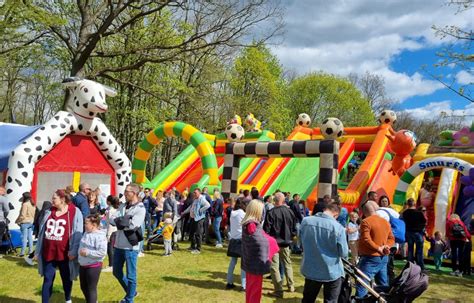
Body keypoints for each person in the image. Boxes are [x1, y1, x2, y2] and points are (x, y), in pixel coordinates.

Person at [35, 190, 83, 303]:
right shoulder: (48, 212)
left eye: (54, 198)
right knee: (47, 279)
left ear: (62, 199)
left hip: (65, 253)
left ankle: (68, 298)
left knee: (66, 278)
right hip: (49, 252)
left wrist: (74, 251)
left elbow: (78, 232)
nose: (52, 200)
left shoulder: (75, 212)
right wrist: (37, 251)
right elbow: (42, 232)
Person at [300, 203, 348, 302]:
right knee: (330, 300)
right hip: (331, 270)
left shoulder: (306, 221)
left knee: (308, 299)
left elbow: (301, 241)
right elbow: (344, 253)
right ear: (336, 215)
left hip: (311, 268)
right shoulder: (338, 227)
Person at [110, 183, 146, 303]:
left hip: (131, 247)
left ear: (134, 193)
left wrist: (120, 222)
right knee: (116, 272)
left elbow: (132, 226)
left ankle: (129, 299)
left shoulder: (140, 208)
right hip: (118, 245)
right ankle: (132, 292)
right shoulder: (123, 206)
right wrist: (123, 221)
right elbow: (112, 219)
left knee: (131, 275)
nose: (125, 193)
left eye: (127, 191)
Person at [241, 200, 279, 303]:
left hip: (250, 262)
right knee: (255, 291)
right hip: (255, 263)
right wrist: (273, 241)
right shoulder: (251, 224)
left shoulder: (249, 223)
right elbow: (258, 240)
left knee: (251, 289)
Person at [355, 201, 394, 299]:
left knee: (362, 283)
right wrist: (386, 247)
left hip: (370, 257)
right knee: (383, 284)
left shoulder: (366, 221)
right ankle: (384, 299)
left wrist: (378, 248)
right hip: (383, 257)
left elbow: (366, 239)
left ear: (364, 212)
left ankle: (361, 300)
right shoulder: (385, 222)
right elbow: (391, 238)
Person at [263, 192, 297, 298]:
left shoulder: (271, 212)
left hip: (274, 243)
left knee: (274, 266)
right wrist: (292, 236)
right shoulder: (290, 212)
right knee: (287, 264)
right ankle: (291, 285)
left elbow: (266, 230)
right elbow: (294, 227)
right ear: (283, 200)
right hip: (286, 242)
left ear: (274, 200)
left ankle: (278, 289)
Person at [78, 214, 107, 303]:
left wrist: (88, 253)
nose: (84, 225)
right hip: (83, 265)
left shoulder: (100, 236)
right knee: (83, 287)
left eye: (86, 223)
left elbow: (102, 252)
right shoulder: (86, 232)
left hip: (93, 266)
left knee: (91, 288)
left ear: (94, 225)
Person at [376, 195, 400, 283]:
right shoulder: (394, 213)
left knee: (387, 264)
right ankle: (389, 281)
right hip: (390, 242)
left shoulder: (379, 212)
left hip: (388, 242)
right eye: (383, 201)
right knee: (388, 264)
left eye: (385, 201)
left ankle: (388, 282)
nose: (384, 203)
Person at [181, 188, 210, 254]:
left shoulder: (201, 199)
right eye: (194, 192)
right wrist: (184, 212)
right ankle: (192, 246)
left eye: (195, 193)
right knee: (191, 233)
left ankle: (198, 249)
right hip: (193, 218)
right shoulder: (195, 199)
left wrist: (200, 210)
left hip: (199, 219)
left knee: (198, 234)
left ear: (199, 193)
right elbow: (191, 207)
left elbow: (208, 205)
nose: (194, 194)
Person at [226, 199, 246, 291]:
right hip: (241, 240)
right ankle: (243, 285)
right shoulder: (243, 214)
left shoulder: (232, 213)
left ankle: (229, 282)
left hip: (233, 239)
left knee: (232, 262)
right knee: (243, 264)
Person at [403, 198, 427, 270]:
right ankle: (420, 265)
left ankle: (410, 264)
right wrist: (420, 229)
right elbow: (424, 222)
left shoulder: (405, 213)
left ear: (408, 204)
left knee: (410, 249)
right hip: (417, 233)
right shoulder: (419, 213)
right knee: (419, 249)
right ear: (414, 204)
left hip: (408, 232)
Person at [15, 192, 36, 257]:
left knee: (24, 238)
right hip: (30, 222)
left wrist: (17, 221)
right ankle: (30, 251)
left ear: (25, 197)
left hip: (25, 222)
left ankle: (22, 253)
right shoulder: (32, 204)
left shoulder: (25, 204)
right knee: (30, 238)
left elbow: (22, 215)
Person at [103, 195, 120, 272]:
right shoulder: (114, 209)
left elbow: (110, 223)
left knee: (110, 249)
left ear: (109, 202)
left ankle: (111, 265)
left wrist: (108, 234)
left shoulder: (110, 210)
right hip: (115, 230)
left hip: (111, 231)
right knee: (112, 248)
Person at [0, 185, 10, 259]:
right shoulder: (3, 199)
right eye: (3, 190)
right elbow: (7, 210)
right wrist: (5, 216)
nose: (4, 192)